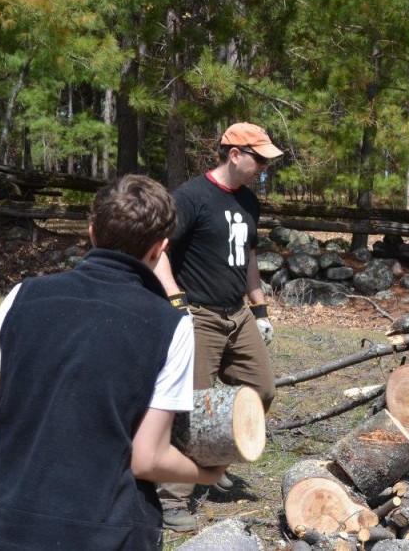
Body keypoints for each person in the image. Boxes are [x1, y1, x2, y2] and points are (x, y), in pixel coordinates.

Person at [0, 175, 226, 550]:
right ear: (160, 248)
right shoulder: (173, 326)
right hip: (105, 533)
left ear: (91, 232)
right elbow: (147, 458)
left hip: (4, 529)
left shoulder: (24, 296)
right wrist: (207, 474)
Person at [153, 122, 282, 531]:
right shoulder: (190, 197)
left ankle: (210, 462)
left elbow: (248, 259)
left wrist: (259, 311)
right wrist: (176, 300)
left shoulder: (249, 201)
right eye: (259, 159)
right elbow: (157, 252)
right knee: (191, 405)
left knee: (261, 389)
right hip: (200, 316)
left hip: (237, 313)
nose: (264, 167)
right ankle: (170, 500)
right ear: (235, 154)